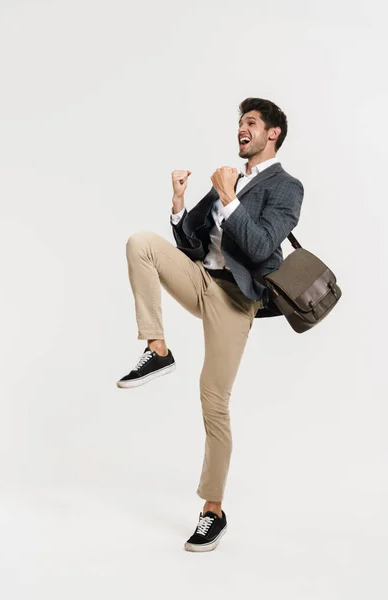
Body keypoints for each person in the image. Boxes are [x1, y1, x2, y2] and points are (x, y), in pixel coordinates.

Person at [117, 98, 304, 552]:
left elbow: (261, 248)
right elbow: (189, 240)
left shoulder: (287, 187)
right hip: (201, 278)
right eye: (240, 122)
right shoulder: (231, 177)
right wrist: (180, 203)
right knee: (141, 242)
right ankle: (157, 348)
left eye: (251, 123)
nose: (242, 128)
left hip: (237, 300)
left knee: (213, 400)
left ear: (272, 134)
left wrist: (229, 197)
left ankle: (212, 512)